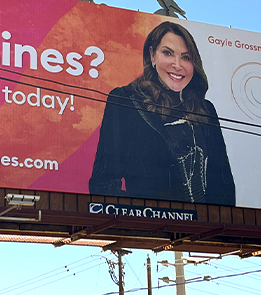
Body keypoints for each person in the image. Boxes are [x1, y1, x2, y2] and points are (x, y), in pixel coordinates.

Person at [89, 21, 235, 205]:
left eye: (186, 57)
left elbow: (224, 185)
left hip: (202, 229)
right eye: (167, 53)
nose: (177, 64)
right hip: (150, 226)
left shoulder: (205, 110)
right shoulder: (126, 100)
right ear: (152, 56)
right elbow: (105, 181)